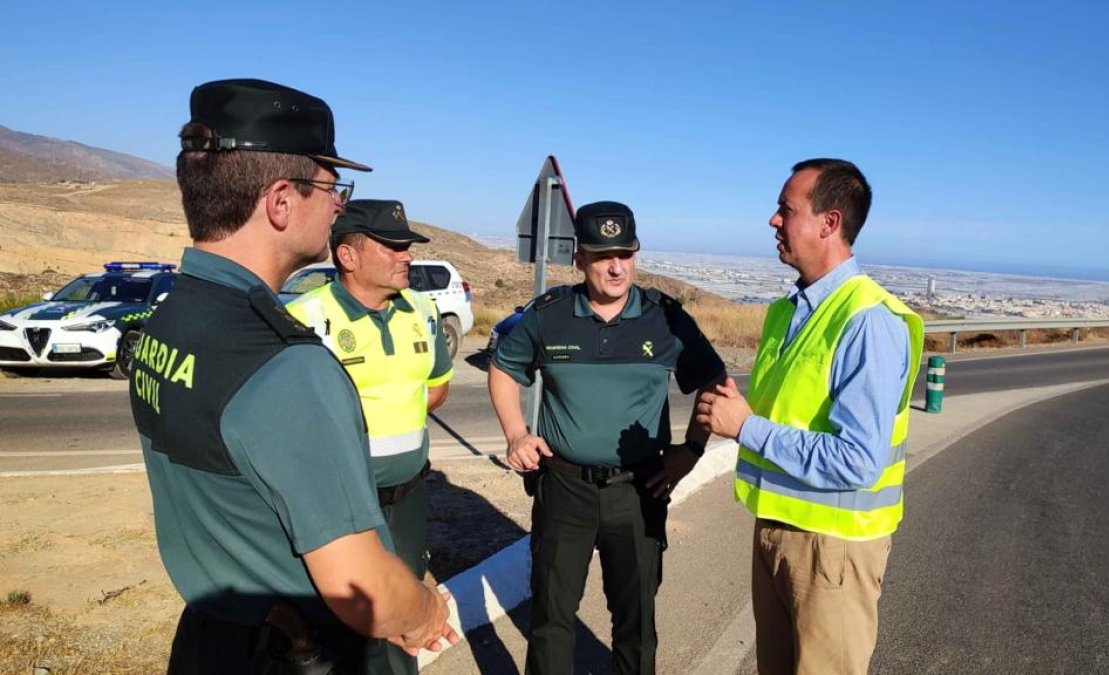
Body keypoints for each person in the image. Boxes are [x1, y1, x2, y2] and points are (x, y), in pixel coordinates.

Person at [127, 78, 456, 673]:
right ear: (281, 201)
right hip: (291, 653)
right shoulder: (286, 365)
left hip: (208, 640)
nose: (337, 205)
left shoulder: (168, 322)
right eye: (332, 186)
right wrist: (426, 612)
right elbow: (366, 590)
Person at [697, 158, 924, 675]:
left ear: (829, 222)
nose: (773, 221)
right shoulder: (788, 312)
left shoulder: (868, 321)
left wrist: (745, 427)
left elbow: (858, 461)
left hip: (832, 550)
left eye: (785, 209)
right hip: (777, 530)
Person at [488, 201, 727, 674]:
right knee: (551, 619)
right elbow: (502, 368)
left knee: (636, 625)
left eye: (625, 253)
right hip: (563, 489)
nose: (615, 266)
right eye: (601, 255)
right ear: (580, 259)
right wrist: (516, 433)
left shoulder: (666, 319)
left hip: (640, 490)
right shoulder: (547, 315)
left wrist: (692, 451)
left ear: (635, 254)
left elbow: (716, 386)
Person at [287, 198, 453, 675]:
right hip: (336, 503)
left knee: (405, 611)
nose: (407, 256)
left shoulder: (421, 309)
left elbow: (435, 389)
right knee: (343, 620)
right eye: (393, 247)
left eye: (408, 247)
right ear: (348, 256)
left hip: (407, 497)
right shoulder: (304, 319)